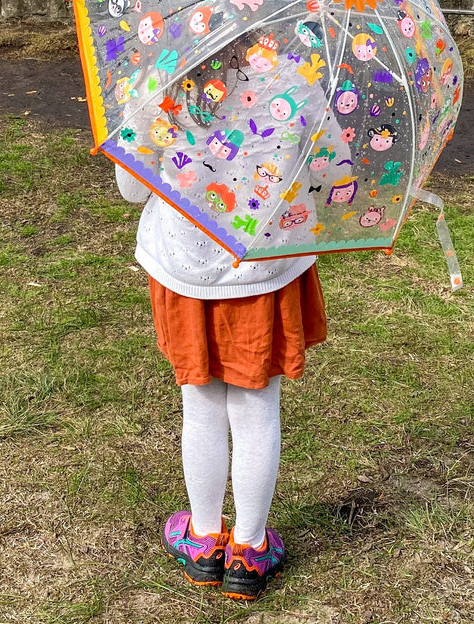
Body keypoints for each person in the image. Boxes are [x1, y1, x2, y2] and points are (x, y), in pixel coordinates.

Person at [114, 37, 328, 602]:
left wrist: (143, 107)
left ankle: (206, 539)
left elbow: (134, 189)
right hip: (263, 267)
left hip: (184, 268)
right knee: (257, 409)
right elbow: (328, 176)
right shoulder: (296, 76)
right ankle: (249, 551)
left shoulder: (157, 81)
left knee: (201, 401)